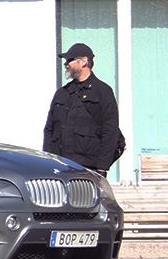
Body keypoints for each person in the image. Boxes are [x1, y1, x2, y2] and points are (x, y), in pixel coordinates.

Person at [43, 42, 122, 173]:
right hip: (58, 165)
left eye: (70, 60)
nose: (66, 64)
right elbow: (49, 129)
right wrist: (46, 160)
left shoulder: (103, 91)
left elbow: (110, 131)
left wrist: (102, 167)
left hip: (88, 167)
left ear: (84, 62)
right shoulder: (62, 93)